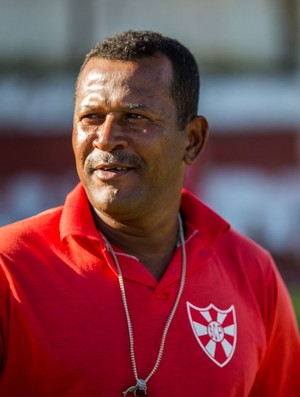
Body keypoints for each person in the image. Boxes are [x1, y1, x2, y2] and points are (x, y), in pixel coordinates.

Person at [0, 30, 299, 397]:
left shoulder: (254, 276)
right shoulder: (8, 267)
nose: (106, 138)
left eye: (134, 116)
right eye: (91, 116)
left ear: (192, 140)